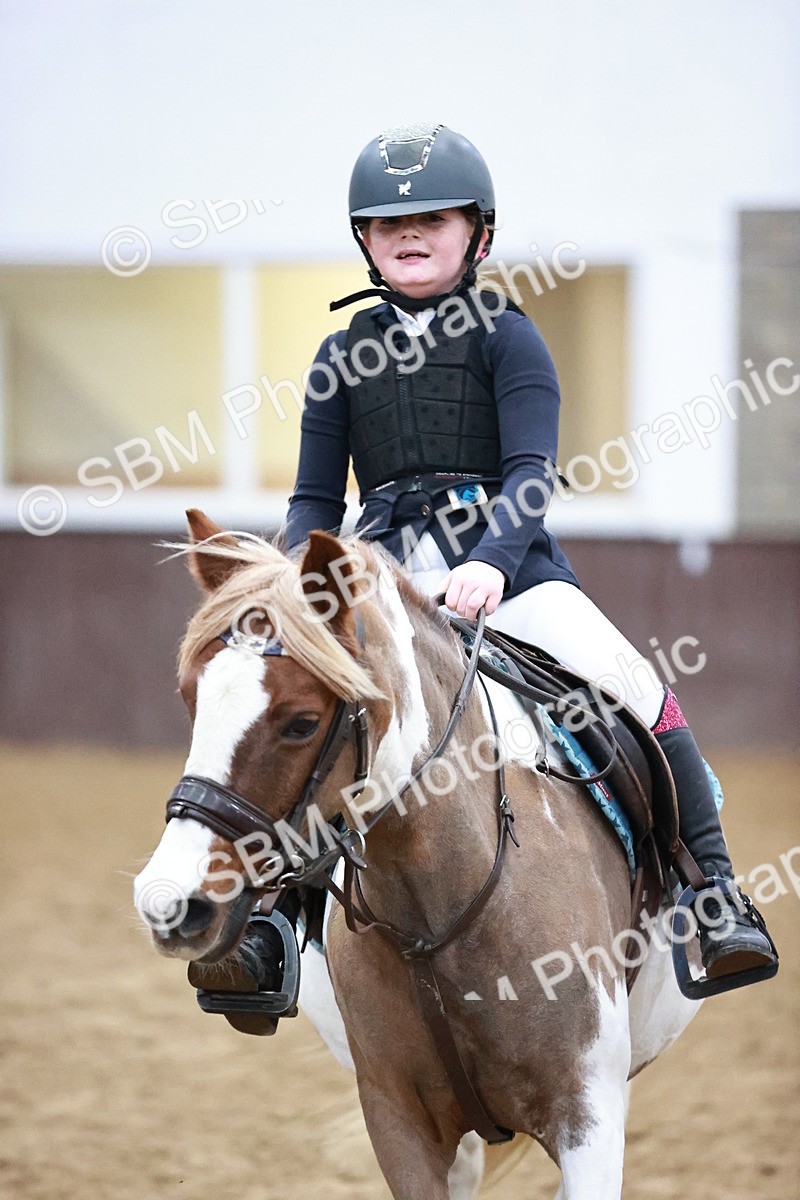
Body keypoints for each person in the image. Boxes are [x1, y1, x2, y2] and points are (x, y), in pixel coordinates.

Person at [195, 123, 777, 1029]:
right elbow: (314, 499)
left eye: (433, 217)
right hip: (378, 578)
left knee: (641, 690)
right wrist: (301, 590)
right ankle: (270, 928)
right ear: (365, 241)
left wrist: (490, 568)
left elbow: (531, 478)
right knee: (298, 726)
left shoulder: (513, 339)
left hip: (511, 572)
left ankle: (716, 897)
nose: (410, 233)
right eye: (389, 224)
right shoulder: (339, 357)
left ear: (479, 232)